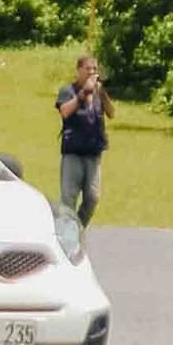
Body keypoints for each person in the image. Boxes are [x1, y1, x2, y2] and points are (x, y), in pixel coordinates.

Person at [54, 55, 108, 232]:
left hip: (93, 153)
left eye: (95, 69)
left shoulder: (98, 93)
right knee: (69, 198)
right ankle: (65, 233)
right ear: (79, 70)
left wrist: (102, 93)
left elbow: (111, 113)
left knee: (93, 197)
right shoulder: (67, 91)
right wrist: (84, 93)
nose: (92, 72)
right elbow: (65, 111)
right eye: (88, 69)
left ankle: (77, 230)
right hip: (73, 153)